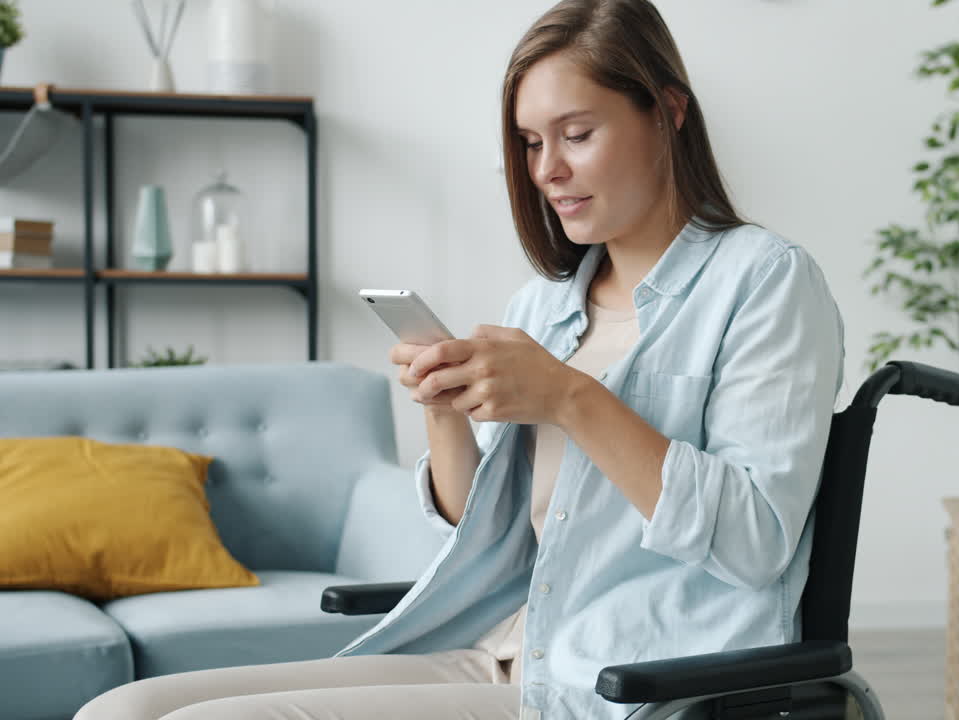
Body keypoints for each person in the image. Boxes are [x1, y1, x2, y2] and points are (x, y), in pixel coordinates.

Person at [75, 0, 844, 718]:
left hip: (625, 686)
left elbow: (756, 542)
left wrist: (573, 399)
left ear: (669, 112)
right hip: (498, 650)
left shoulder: (764, 281)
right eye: (532, 143)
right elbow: (474, 532)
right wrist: (444, 411)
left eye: (577, 135)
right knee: (122, 709)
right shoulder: (542, 306)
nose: (547, 171)